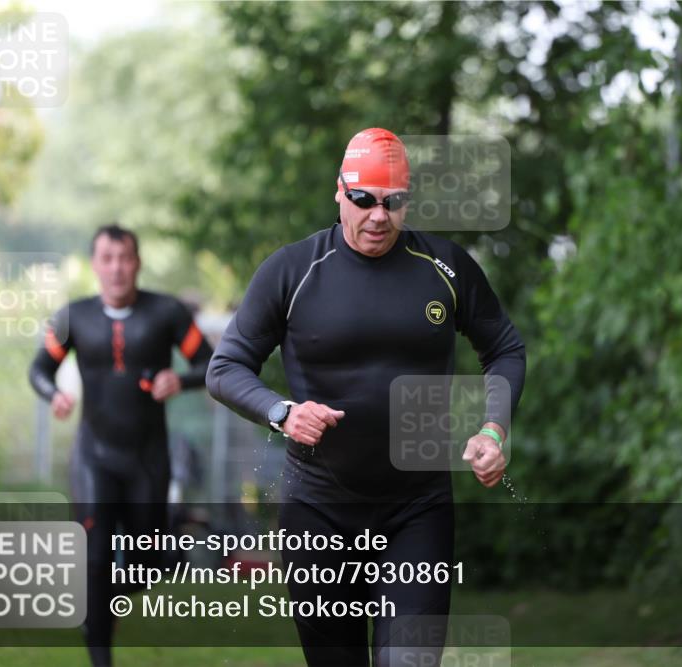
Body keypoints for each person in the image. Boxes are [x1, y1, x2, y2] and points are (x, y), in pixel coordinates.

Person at [207, 128, 526, 666]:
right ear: (340, 192)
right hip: (319, 510)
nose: (378, 216)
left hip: (417, 509)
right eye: (363, 200)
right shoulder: (293, 271)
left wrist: (494, 428)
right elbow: (225, 367)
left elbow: (506, 349)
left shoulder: (445, 268)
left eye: (393, 202)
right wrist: (282, 412)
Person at [28, 224, 213, 667]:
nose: (116, 268)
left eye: (124, 258)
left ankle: (95, 599)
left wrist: (180, 379)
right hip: (94, 456)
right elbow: (39, 370)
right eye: (107, 259)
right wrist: (55, 396)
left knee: (147, 564)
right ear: (95, 265)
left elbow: (210, 364)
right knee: (95, 557)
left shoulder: (167, 313)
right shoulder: (73, 317)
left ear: (138, 263)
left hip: (148, 459)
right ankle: (100, 652)